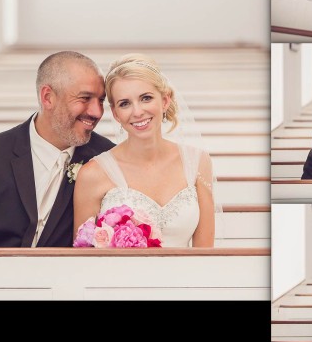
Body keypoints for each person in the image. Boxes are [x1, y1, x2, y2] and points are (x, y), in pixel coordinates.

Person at [0, 51, 115, 247]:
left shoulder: (108, 160)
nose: (97, 112)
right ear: (48, 97)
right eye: (85, 98)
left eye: (101, 100)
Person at [73, 54, 216, 247]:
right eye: (125, 103)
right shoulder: (93, 174)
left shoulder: (197, 161)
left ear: (165, 101)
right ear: (115, 113)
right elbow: (84, 256)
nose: (137, 112)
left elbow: (205, 252)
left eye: (146, 98)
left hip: (187, 276)